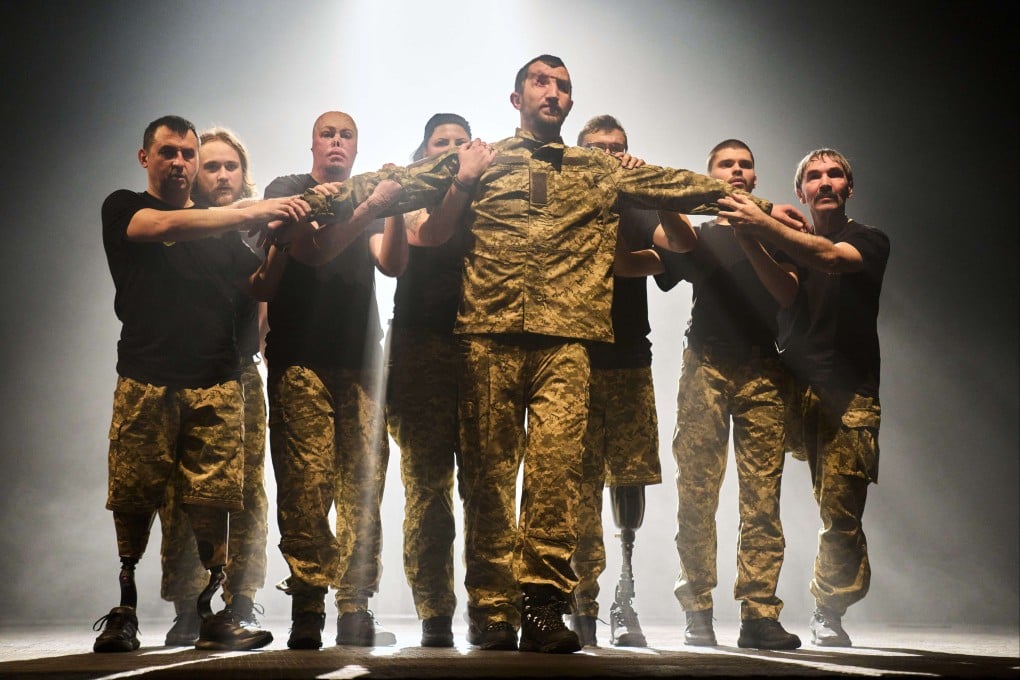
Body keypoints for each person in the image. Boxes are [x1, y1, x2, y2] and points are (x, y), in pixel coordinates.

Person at [298, 55, 805, 654]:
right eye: (541, 82)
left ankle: (543, 605)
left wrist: (768, 211)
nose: (554, 92)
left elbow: (679, 184)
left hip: (567, 345)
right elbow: (396, 187)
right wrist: (313, 204)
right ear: (516, 98)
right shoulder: (480, 161)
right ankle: (491, 611)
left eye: (563, 86)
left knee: (555, 479)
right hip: (488, 340)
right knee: (487, 479)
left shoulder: (596, 169)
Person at [93, 115, 308, 653]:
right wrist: (253, 211)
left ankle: (213, 611)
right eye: (169, 152)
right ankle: (125, 611)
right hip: (146, 378)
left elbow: (258, 283)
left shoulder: (218, 230)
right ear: (145, 158)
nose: (181, 164)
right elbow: (164, 228)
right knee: (135, 497)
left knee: (215, 500)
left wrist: (281, 243)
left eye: (188, 154)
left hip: (214, 381)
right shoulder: (124, 206)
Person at [718, 148, 889, 647]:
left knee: (840, 512)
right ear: (801, 192)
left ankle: (828, 609)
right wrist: (750, 236)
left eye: (836, 174)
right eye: (814, 177)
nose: (826, 182)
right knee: (759, 500)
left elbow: (830, 258)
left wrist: (764, 224)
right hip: (787, 386)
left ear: (849, 187)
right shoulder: (790, 242)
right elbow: (787, 291)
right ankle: (757, 613)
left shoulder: (869, 240)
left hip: (848, 393)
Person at [263, 111, 408, 650]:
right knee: (305, 487)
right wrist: (372, 204)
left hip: (361, 364)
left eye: (347, 135)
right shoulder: (291, 190)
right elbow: (313, 251)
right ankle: (308, 605)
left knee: (363, 490)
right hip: (302, 360)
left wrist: (393, 211)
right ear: (313, 144)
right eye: (328, 134)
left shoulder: (369, 196)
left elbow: (390, 264)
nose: (337, 143)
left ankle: (355, 606)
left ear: (356, 146)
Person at [653, 139, 802, 650]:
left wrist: (755, 233)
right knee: (697, 492)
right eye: (726, 165)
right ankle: (696, 607)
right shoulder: (697, 236)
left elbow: (787, 295)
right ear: (711, 175)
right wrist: (676, 199)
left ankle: (759, 615)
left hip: (764, 367)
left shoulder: (778, 230)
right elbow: (671, 258)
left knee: (762, 498)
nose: (736, 171)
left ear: (755, 179)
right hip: (706, 364)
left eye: (745, 165)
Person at [384, 113, 496, 647]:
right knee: (428, 492)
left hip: (481, 351)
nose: (452, 148)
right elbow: (429, 235)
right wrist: (464, 180)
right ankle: (434, 612)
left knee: (488, 487)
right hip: (419, 352)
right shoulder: (410, 194)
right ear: (423, 153)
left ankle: (492, 611)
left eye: (460, 141)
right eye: (440, 142)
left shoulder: (492, 196)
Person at [157, 128, 272, 646]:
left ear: (244, 174)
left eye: (231, 166)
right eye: (212, 166)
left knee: (245, 491)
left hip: (239, 371)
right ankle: (189, 606)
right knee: (181, 495)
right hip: (181, 374)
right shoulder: (180, 225)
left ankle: (241, 601)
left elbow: (266, 301)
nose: (222, 175)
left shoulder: (260, 227)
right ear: (196, 175)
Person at [568, 115, 667, 649]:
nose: (610, 155)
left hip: (629, 360)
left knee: (626, 482)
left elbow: (673, 250)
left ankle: (624, 597)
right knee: (574, 492)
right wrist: (631, 262)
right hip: (570, 363)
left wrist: (655, 187)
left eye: (619, 148)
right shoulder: (564, 201)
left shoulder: (637, 203)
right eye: (598, 148)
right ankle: (580, 606)